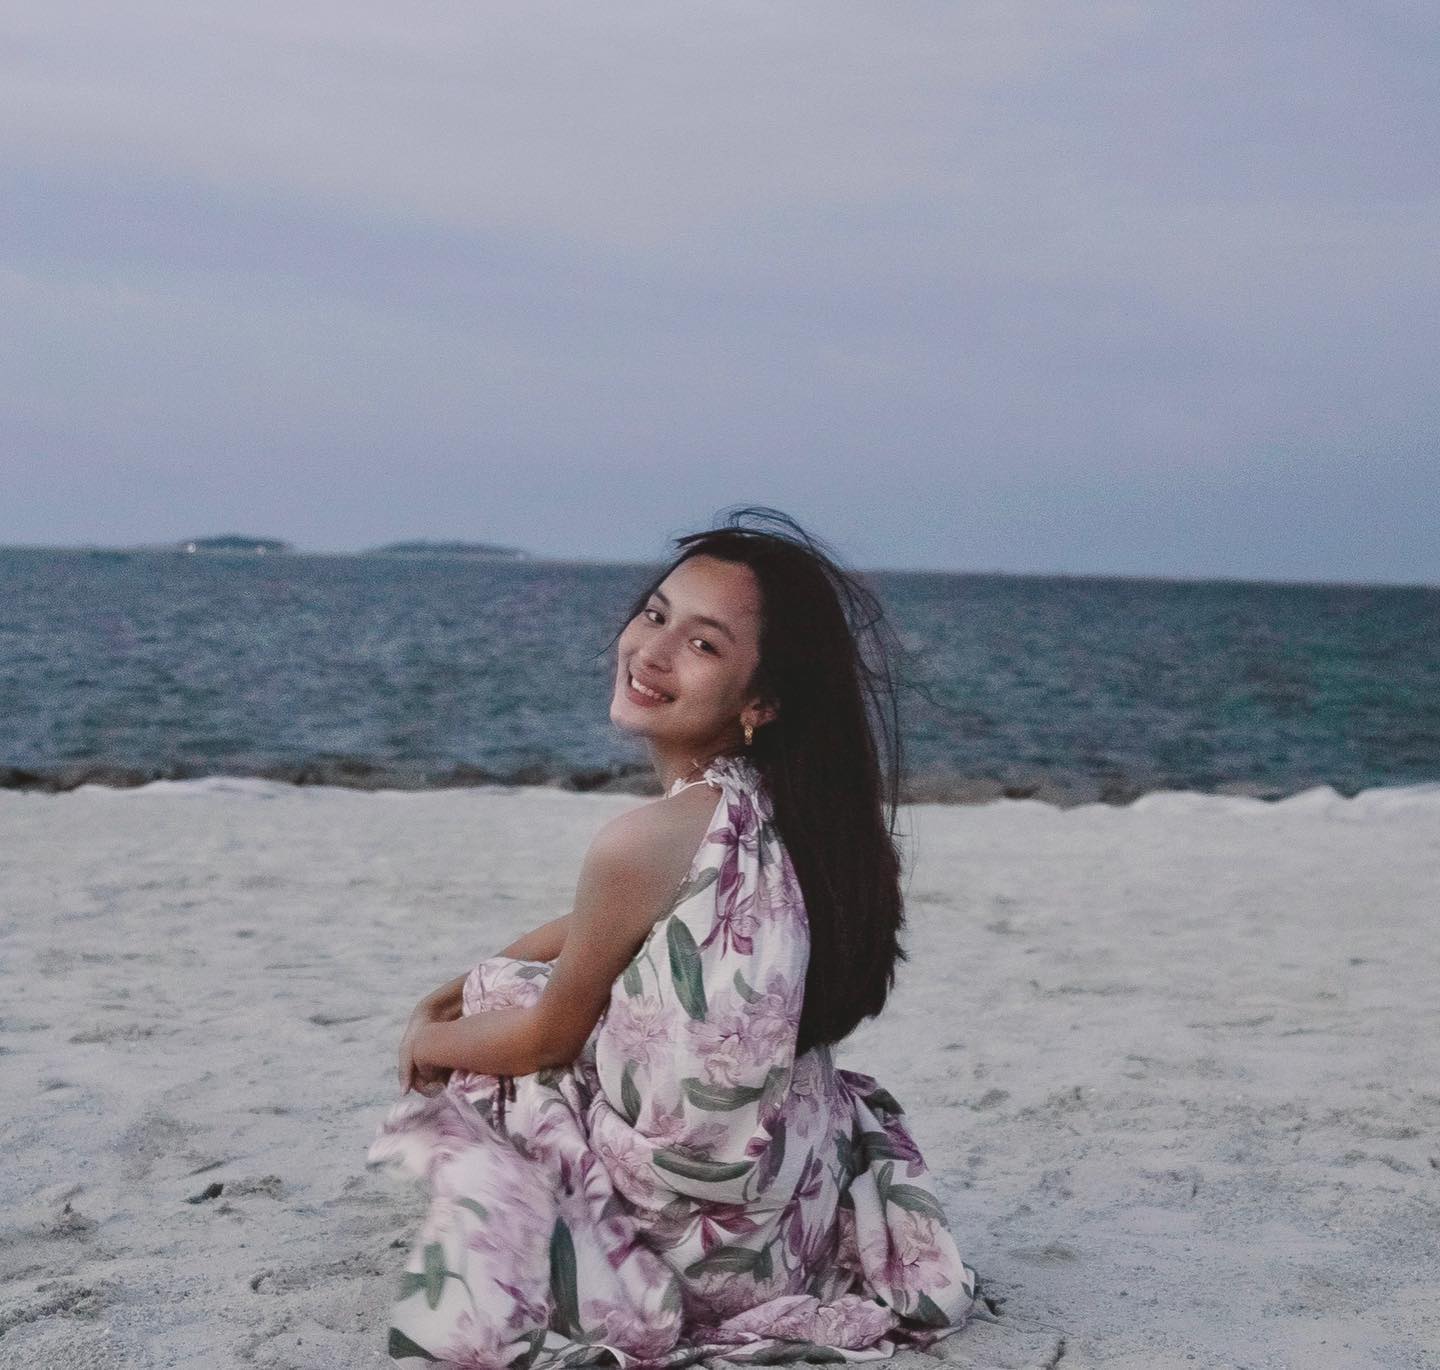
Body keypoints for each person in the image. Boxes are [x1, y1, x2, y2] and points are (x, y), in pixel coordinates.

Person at [368, 507, 983, 1368]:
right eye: (655, 614)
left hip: (686, 1251)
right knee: (503, 980)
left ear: (762, 701)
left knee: (498, 1017)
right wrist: (479, 971)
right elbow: (612, 924)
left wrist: (426, 1036)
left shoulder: (644, 840)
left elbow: (547, 1037)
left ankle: (553, 1268)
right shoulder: (790, 811)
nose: (651, 652)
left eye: (702, 644)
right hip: (787, 1223)